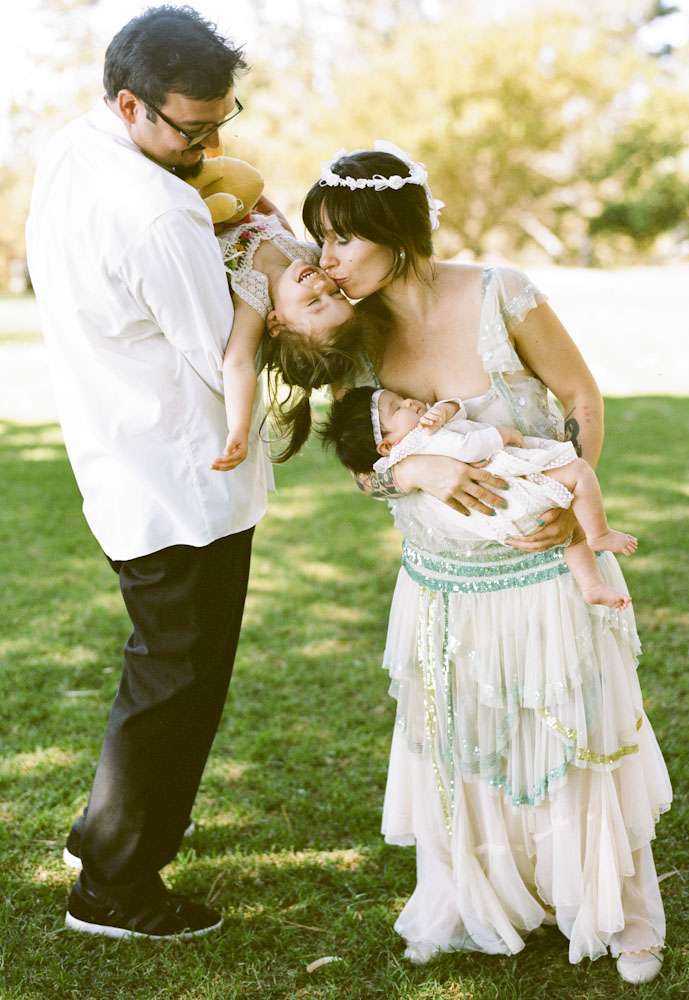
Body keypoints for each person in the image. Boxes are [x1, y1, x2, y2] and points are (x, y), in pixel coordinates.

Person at [291, 143, 672, 983]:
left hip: (544, 568)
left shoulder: (503, 293)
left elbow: (581, 397)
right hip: (442, 585)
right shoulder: (355, 333)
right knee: (469, 747)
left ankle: (620, 912)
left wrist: (572, 498)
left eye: (342, 238)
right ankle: (485, 897)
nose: (328, 257)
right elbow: (363, 462)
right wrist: (416, 470)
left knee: (576, 736)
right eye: (321, 239)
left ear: (394, 231)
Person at [26, 6, 272, 939]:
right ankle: (115, 887)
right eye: (192, 130)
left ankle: (107, 831)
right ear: (131, 103)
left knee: (161, 664)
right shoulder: (160, 211)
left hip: (120, 452)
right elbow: (220, 353)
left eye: (221, 121)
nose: (208, 148)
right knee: (178, 681)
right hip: (183, 477)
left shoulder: (72, 150)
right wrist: (261, 262)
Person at [322, 387, 638, 609]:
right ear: (387, 445)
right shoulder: (422, 440)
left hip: (503, 517)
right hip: (512, 494)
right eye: (397, 408)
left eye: (401, 398)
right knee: (579, 472)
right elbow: (468, 447)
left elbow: (459, 411)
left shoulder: (402, 450)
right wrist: (502, 435)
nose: (409, 402)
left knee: (571, 537)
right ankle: (600, 534)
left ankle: (592, 586)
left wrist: (444, 409)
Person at [208, 212, 358, 473]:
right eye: (336, 293)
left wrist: (239, 428)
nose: (321, 284)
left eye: (313, 302)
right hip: (242, 207)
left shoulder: (254, 294)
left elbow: (239, 362)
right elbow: (283, 233)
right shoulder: (311, 258)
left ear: (277, 323)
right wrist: (268, 209)